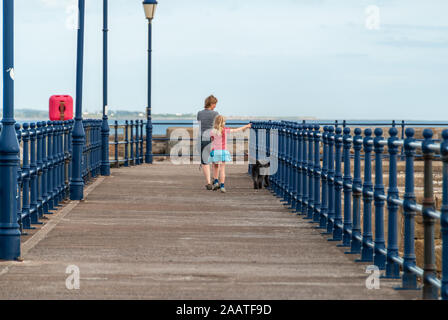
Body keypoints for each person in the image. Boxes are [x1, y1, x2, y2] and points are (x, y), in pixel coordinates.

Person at [208, 115, 251, 193]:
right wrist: (247, 126)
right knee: (222, 169)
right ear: (223, 122)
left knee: (215, 167)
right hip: (223, 151)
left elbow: (211, 140)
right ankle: (222, 186)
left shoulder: (212, 131)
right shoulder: (225, 130)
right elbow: (236, 130)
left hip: (215, 151)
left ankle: (216, 181)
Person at [197, 95, 219, 190]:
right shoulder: (215, 113)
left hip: (202, 138)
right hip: (213, 138)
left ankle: (209, 183)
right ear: (212, 104)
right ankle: (216, 180)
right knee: (215, 160)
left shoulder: (199, 113)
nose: (215, 106)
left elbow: (200, 125)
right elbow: (217, 127)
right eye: (215, 104)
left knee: (205, 161)